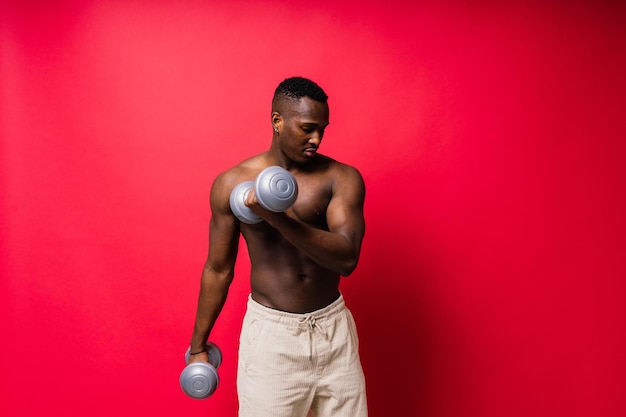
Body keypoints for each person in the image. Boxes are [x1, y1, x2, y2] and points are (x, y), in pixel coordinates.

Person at [187, 76, 368, 417]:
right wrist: (198, 345)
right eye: (307, 128)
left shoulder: (341, 178)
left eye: (322, 129)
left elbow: (346, 258)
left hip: (334, 334)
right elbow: (219, 269)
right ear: (277, 121)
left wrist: (276, 218)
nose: (317, 139)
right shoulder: (233, 183)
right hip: (274, 338)